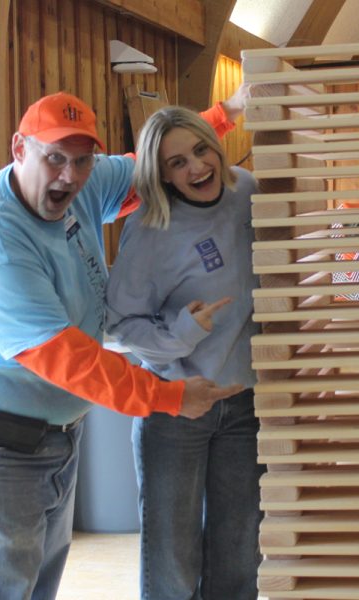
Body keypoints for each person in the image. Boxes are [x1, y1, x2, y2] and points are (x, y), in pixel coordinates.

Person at [0, 90, 246, 600]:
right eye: (54, 158)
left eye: (82, 160)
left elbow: (148, 164)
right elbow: (70, 361)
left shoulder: (82, 187)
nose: (69, 175)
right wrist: (172, 396)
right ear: (18, 148)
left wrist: (228, 112)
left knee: (33, 585)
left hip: (52, 436)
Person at [105, 105, 263, 600]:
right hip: (175, 408)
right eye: (177, 163)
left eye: (200, 150)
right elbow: (118, 325)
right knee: (172, 563)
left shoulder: (248, 192)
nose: (196, 167)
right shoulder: (151, 228)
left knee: (239, 556)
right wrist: (182, 333)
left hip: (244, 405)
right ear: (162, 175)